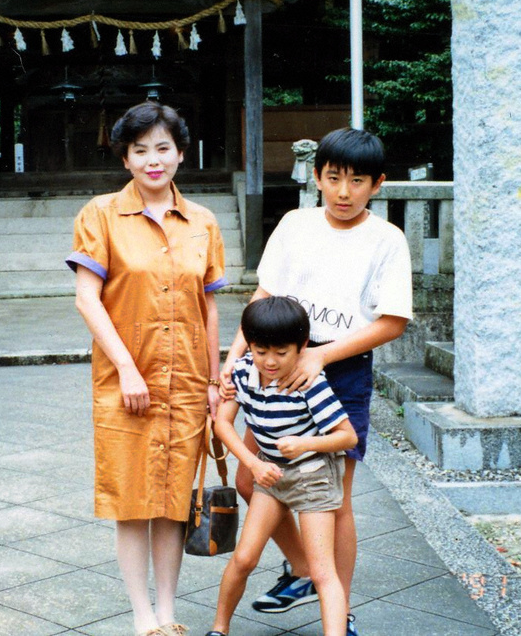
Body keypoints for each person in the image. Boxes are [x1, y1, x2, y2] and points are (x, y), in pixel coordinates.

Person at [219, 127, 412, 635]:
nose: (344, 192)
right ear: (317, 178)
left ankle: (339, 610)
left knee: (334, 499)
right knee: (249, 476)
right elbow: (263, 295)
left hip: (340, 365)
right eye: (333, 178)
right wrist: (234, 359)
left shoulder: (386, 239)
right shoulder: (295, 224)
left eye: (357, 181)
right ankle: (305, 568)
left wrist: (321, 357)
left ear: (378, 184)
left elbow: (392, 321)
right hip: (274, 357)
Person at [68, 101, 228, 636]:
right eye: (140, 151)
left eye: (163, 148)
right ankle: (142, 619)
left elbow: (209, 307)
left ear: (181, 154)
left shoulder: (203, 222)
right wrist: (128, 370)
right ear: (126, 158)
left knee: (174, 501)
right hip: (125, 383)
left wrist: (214, 380)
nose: (152, 160)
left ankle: (169, 615)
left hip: (185, 385)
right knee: (133, 501)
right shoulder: (100, 214)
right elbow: (88, 300)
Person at [206, 296, 357, 636]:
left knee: (321, 572)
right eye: (260, 351)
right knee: (244, 558)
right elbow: (223, 425)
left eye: (281, 352)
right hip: (270, 474)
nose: (269, 362)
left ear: (302, 346)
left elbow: (347, 438)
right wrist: (252, 464)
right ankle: (219, 629)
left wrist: (306, 443)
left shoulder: (307, 381)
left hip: (313, 477)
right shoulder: (244, 372)